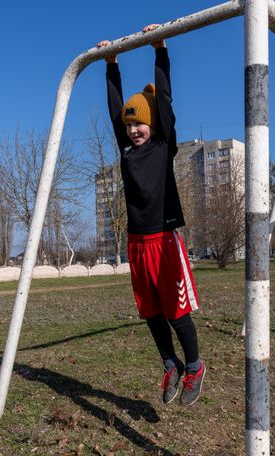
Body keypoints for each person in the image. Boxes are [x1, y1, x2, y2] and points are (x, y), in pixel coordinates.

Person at [97, 25, 205, 406]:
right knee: (150, 312)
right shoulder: (126, 150)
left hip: (163, 237)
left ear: (153, 124)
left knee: (175, 311)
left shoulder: (163, 143)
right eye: (129, 125)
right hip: (137, 242)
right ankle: (170, 363)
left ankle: (194, 365)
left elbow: (165, 103)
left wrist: (160, 50)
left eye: (139, 122)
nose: (133, 129)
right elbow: (115, 112)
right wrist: (111, 64)